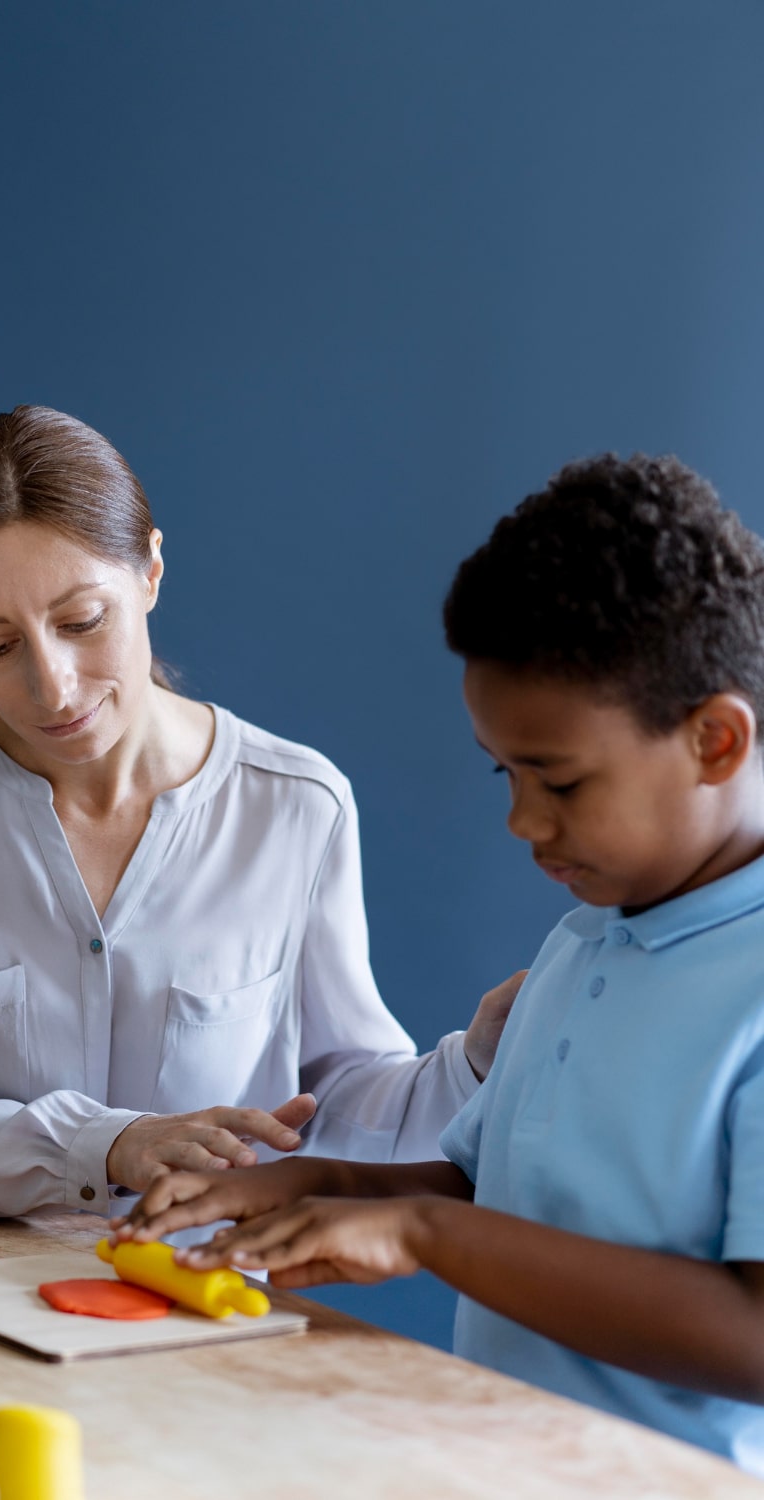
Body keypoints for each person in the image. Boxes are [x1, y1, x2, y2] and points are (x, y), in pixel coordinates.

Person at [112, 453, 764, 1474]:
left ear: (715, 740)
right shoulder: (585, 934)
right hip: (487, 1461)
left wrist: (422, 1236)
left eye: (557, 779)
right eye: (503, 772)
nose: (520, 820)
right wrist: (310, 1185)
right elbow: (484, 1190)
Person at [0, 405, 519, 1225]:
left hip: (159, 1305)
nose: (51, 687)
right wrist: (107, 1146)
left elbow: (336, 1103)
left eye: (82, 623)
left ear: (151, 571)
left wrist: (473, 1065)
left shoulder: (297, 804)